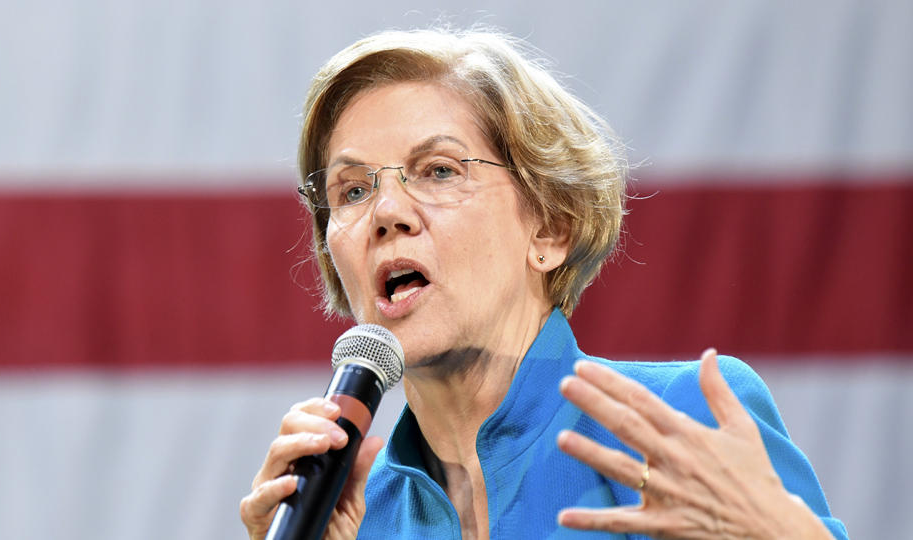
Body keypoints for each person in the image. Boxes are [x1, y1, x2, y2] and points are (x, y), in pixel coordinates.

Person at [240, 28, 848, 539]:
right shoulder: (347, 515)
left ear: (551, 229)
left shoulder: (680, 419)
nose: (385, 212)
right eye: (352, 189)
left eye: (439, 170)